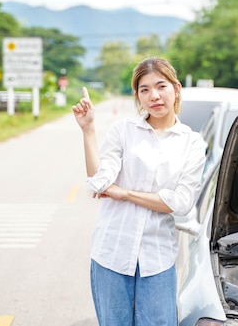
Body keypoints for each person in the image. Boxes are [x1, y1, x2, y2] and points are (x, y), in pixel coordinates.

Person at [72, 57, 207, 326]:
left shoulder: (192, 143)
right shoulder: (123, 131)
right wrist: (88, 130)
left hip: (157, 257)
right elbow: (100, 181)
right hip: (112, 252)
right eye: (144, 89)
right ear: (137, 95)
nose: (153, 96)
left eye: (161, 86)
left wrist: (125, 194)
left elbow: (180, 203)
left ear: (176, 88)